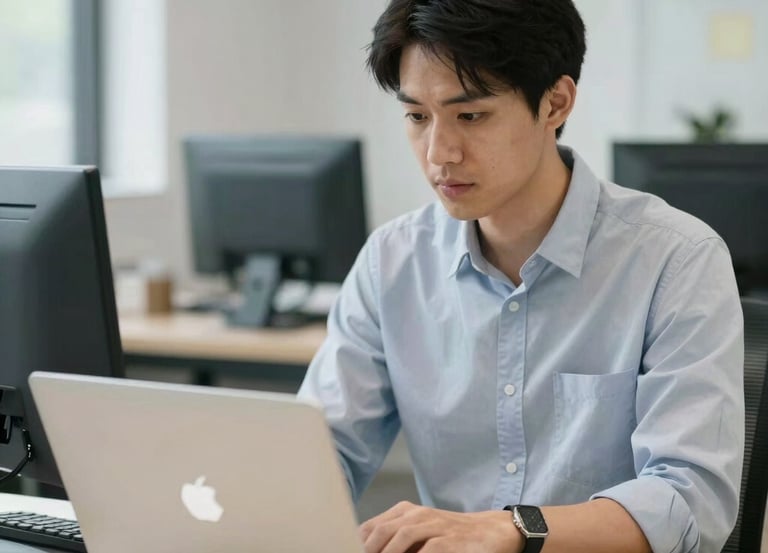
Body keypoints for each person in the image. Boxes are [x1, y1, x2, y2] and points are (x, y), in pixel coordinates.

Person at [298, 1, 744, 552]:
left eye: (471, 116)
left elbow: (691, 503)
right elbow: (318, 453)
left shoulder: (676, 259)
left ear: (555, 102)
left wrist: (511, 529)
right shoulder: (392, 260)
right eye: (417, 116)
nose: (439, 152)